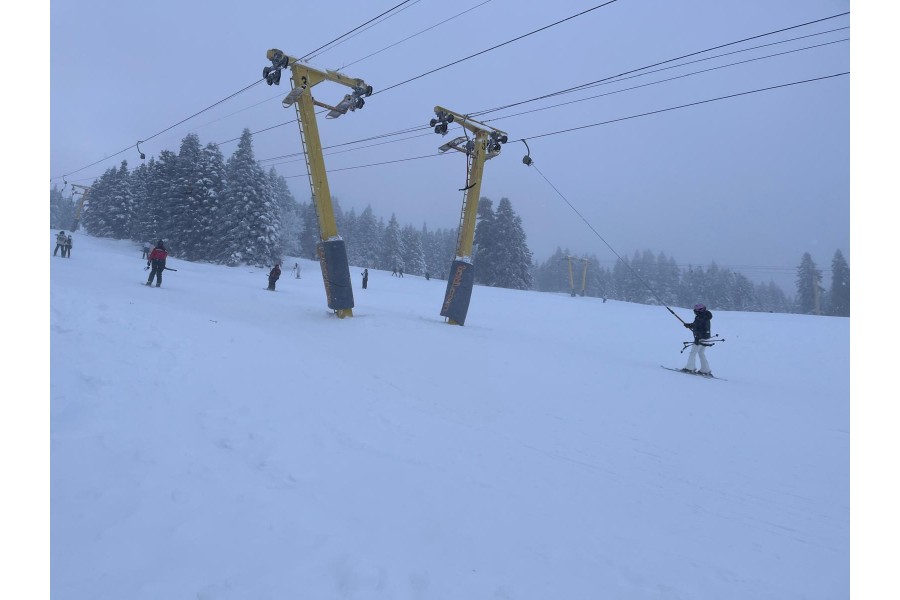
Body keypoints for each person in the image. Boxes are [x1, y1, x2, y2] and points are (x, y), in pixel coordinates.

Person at [682, 303, 713, 375]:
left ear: (700, 310)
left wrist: (698, 338)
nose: (695, 312)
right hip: (706, 338)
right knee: (701, 353)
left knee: (693, 353)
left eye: (696, 310)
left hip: (701, 338)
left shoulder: (702, 318)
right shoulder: (702, 316)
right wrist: (689, 325)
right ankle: (705, 370)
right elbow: (696, 325)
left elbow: (703, 329)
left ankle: (690, 368)